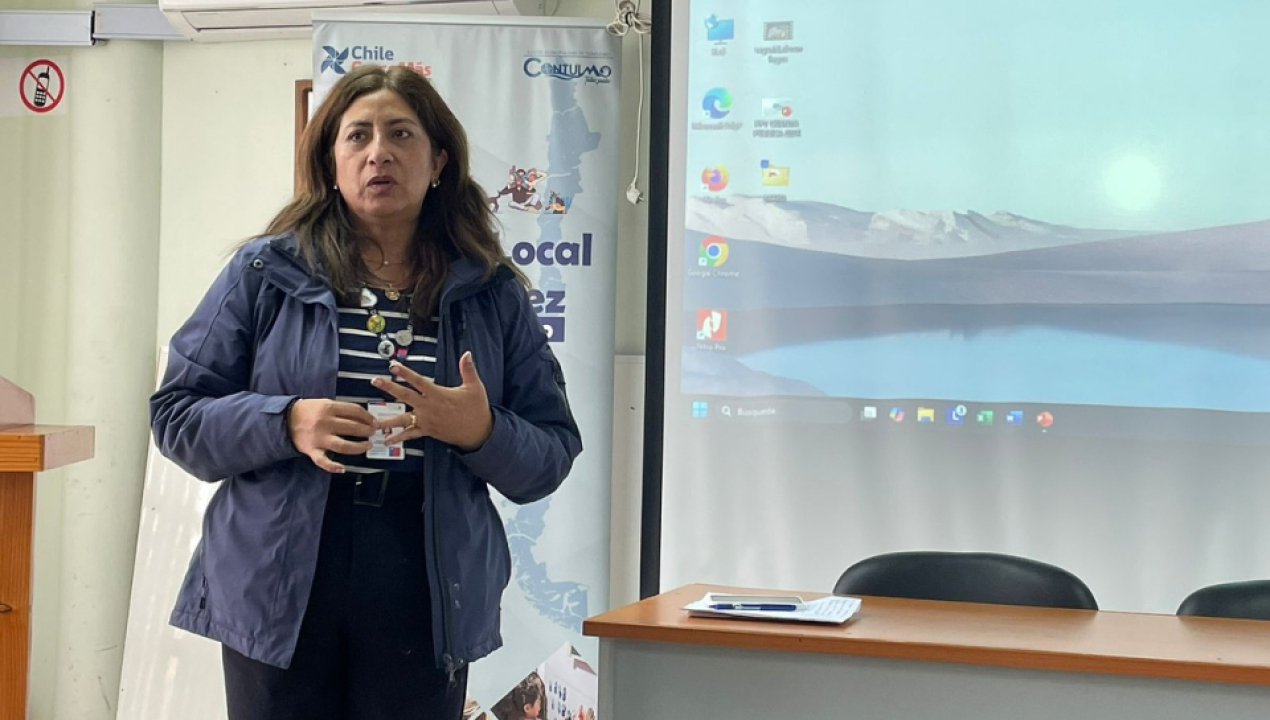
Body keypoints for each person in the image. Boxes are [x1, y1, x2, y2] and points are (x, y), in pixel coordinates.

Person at [149, 64, 582, 720]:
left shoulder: (490, 290)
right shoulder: (264, 273)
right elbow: (177, 415)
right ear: (331, 163)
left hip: (425, 572)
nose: (378, 152)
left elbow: (550, 453)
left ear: (438, 161)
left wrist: (481, 431)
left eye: (400, 133)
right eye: (358, 136)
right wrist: (285, 422)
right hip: (280, 573)